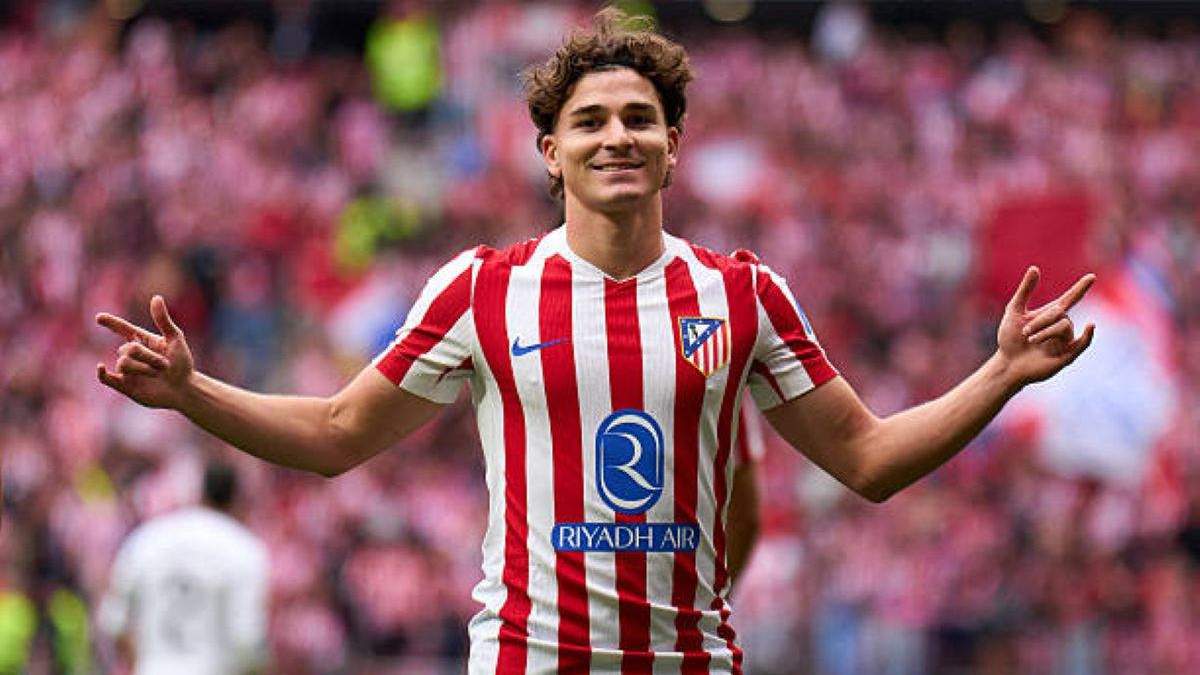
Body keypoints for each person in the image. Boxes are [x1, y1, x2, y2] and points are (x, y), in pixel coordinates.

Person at [94, 8, 1095, 672]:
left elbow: (868, 460)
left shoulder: (744, 293)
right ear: (550, 151)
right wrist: (193, 391)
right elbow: (335, 433)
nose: (616, 135)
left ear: (673, 145)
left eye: (639, 118)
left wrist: (1001, 373)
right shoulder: (484, 289)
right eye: (590, 121)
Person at [97, 462, 268, 675]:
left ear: (201, 492)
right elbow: (247, 643)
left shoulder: (149, 538)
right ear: (236, 499)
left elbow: (114, 622)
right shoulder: (244, 550)